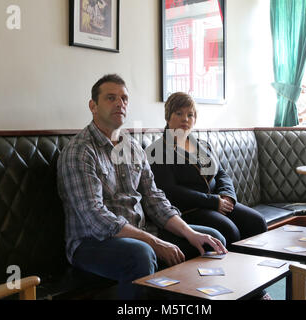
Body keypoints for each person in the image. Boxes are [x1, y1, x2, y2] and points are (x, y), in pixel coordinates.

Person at [57, 75, 227, 300]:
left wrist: (190, 232)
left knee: (210, 240)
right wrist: (154, 242)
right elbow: (95, 216)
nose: (120, 103)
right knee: (141, 254)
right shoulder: (80, 151)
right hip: (92, 243)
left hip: (141, 232)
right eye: (111, 98)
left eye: (124, 98)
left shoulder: (133, 147)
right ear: (93, 106)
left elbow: (155, 198)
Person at [146, 92, 268, 248]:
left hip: (218, 201)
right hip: (189, 209)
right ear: (168, 117)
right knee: (229, 230)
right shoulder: (158, 151)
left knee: (257, 222)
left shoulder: (201, 146)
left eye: (190, 115)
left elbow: (221, 173)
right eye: (179, 113)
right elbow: (171, 191)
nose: (185, 119)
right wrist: (213, 202)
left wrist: (227, 195)